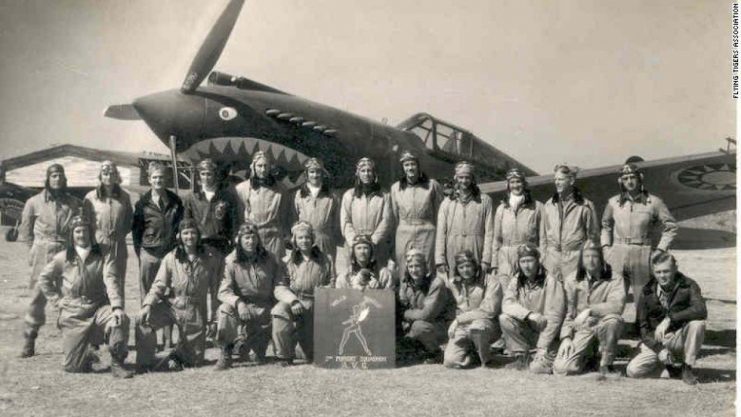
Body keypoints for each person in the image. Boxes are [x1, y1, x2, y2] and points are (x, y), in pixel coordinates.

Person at [37, 214, 133, 378]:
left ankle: (117, 363)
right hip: (73, 313)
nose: (82, 235)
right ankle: (87, 354)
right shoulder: (62, 257)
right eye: (77, 232)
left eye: (85, 231)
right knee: (73, 367)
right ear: (72, 234)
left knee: (119, 319)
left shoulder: (103, 253)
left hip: (97, 309)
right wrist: (57, 302)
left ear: (91, 233)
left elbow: (111, 278)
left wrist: (116, 307)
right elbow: (44, 279)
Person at [135, 218, 221, 371]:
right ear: (179, 236)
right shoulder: (171, 257)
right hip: (174, 305)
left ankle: (177, 355)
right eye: (185, 233)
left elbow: (215, 292)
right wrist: (147, 305)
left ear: (198, 235)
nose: (189, 237)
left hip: (195, 311)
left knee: (194, 361)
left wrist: (213, 319)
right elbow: (159, 285)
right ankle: (146, 360)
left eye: (193, 233)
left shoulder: (209, 258)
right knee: (144, 320)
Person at [18, 164, 81, 358]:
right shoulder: (33, 202)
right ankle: (29, 340)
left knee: (69, 295)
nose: (57, 179)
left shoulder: (72, 203)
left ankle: (74, 341)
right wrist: (34, 252)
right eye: (54, 175)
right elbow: (26, 232)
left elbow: (78, 229)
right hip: (42, 252)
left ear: (65, 179)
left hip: (64, 252)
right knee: (38, 297)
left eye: (61, 175)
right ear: (47, 178)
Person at [601, 163, 678, 309]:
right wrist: (606, 247)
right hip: (617, 253)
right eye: (625, 178)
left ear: (640, 178)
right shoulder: (613, 203)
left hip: (642, 252)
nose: (629, 182)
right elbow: (605, 225)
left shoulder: (654, 202)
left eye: (632, 177)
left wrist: (660, 250)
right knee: (613, 296)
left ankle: (643, 330)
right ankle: (612, 328)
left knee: (643, 299)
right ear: (621, 181)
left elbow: (671, 226)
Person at [214, 221, 289, 370]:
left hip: (264, 309)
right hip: (242, 310)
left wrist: (290, 300)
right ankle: (226, 352)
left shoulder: (270, 259)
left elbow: (279, 285)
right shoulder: (230, 261)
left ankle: (254, 345)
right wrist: (239, 303)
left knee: (258, 356)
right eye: (246, 238)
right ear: (239, 240)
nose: (250, 241)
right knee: (224, 310)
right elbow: (223, 291)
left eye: (253, 237)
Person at [626, 251, 707, 385]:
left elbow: (701, 310)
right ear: (653, 272)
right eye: (658, 272)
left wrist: (670, 319)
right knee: (633, 371)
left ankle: (687, 367)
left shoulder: (688, 285)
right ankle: (670, 370)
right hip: (657, 339)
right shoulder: (647, 291)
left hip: (679, 337)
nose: (662, 276)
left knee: (698, 324)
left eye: (666, 271)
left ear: (675, 268)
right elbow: (642, 327)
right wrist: (659, 350)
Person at [553, 241, 625, 378]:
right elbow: (568, 312)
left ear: (601, 258)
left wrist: (590, 310)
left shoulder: (615, 278)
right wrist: (566, 337)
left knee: (613, 320)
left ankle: (606, 363)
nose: (590, 261)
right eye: (586, 256)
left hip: (602, 325)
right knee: (561, 369)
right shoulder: (572, 280)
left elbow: (617, 305)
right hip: (582, 329)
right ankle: (589, 358)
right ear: (581, 259)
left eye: (595, 256)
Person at [132, 162, 183, 349]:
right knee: (147, 295)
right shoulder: (142, 204)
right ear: (149, 180)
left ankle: (168, 339)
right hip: (149, 254)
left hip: (169, 255)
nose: (158, 180)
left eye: (161, 177)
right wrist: (143, 254)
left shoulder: (176, 201)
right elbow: (136, 233)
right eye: (154, 177)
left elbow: (180, 227)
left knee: (168, 295)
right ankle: (148, 338)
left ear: (166, 179)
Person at [272, 221, 335, 365]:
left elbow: (332, 281)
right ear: (294, 240)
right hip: (296, 301)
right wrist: (293, 300)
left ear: (312, 239)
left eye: (307, 237)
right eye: (300, 238)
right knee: (279, 311)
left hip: (317, 302)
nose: (304, 241)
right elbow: (280, 286)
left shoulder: (325, 259)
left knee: (310, 354)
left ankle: (309, 348)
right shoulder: (287, 261)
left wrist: (324, 292)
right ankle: (284, 355)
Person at [500, 244, 566, 374]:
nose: (526, 265)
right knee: (504, 318)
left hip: (548, 335)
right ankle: (522, 358)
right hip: (530, 328)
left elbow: (555, 318)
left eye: (530, 260)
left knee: (536, 369)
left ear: (538, 261)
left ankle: (549, 358)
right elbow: (507, 304)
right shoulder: (517, 280)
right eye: (523, 261)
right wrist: (528, 314)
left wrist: (543, 346)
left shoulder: (551, 281)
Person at [442, 250, 502, 368]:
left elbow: (489, 310)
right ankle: (473, 354)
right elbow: (449, 307)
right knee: (450, 362)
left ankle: (486, 359)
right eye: (461, 267)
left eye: (468, 266)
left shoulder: (490, 281)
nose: (465, 270)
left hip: (486, 324)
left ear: (475, 266)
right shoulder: (453, 284)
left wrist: (458, 320)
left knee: (477, 327)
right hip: (462, 327)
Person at [435, 161, 494, 276]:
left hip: (475, 247)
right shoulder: (447, 202)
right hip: (453, 248)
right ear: (456, 178)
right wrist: (440, 259)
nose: (464, 181)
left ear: (472, 179)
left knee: (476, 283)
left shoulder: (484, 200)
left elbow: (489, 232)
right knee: (454, 284)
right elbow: (441, 232)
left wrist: (486, 259)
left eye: (467, 177)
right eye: (461, 177)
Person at [541, 164, 599, 281]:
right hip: (552, 261)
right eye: (555, 179)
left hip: (575, 260)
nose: (557, 182)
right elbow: (543, 236)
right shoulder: (548, 205)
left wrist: (589, 262)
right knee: (554, 295)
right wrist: (543, 257)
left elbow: (593, 238)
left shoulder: (585, 206)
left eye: (561, 179)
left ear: (571, 181)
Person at [83, 161, 133, 294]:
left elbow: (129, 220)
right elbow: (84, 222)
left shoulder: (125, 197)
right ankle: (100, 313)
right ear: (100, 176)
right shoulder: (90, 197)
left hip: (118, 245)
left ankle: (117, 312)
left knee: (117, 281)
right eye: (105, 174)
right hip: (97, 244)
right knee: (96, 281)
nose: (108, 177)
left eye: (112, 173)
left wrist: (120, 234)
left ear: (117, 176)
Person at [390, 151, 444, 274]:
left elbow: (439, 214)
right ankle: (405, 292)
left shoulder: (432, 185)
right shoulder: (396, 188)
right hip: (404, 232)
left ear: (418, 166)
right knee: (405, 267)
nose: (410, 168)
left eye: (413, 164)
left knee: (427, 267)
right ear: (403, 168)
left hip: (427, 232)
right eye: (406, 165)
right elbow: (394, 216)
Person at [397, 248, 452, 364]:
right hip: (413, 325)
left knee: (419, 327)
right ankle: (421, 349)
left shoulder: (436, 283)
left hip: (439, 326)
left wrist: (404, 314)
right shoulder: (406, 284)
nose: (414, 270)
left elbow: (426, 314)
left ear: (425, 266)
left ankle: (437, 352)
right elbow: (402, 304)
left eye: (417, 266)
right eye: (410, 266)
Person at [492, 168, 545, 280]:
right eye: (512, 182)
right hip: (506, 259)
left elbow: (543, 239)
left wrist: (542, 260)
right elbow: (497, 240)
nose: (515, 185)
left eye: (518, 182)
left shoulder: (537, 207)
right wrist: (494, 264)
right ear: (508, 185)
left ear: (524, 184)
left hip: (528, 258)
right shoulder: (502, 209)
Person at [340, 157, 393, 269]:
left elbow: (386, 220)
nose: (366, 174)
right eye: (363, 171)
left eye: (369, 171)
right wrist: (355, 241)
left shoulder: (384, 195)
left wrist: (373, 241)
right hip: (355, 245)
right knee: (354, 278)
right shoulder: (349, 195)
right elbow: (345, 221)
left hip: (377, 245)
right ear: (358, 173)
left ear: (374, 173)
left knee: (377, 278)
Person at [235, 151, 288, 259]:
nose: (263, 170)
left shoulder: (281, 189)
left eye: (265, 166)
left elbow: (285, 213)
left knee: (275, 270)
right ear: (253, 167)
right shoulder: (242, 188)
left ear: (270, 167)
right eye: (259, 166)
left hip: (273, 238)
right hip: (252, 237)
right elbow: (239, 216)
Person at [183, 158, 238, 259]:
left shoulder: (226, 197)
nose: (206, 177)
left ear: (215, 175)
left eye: (209, 174)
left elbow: (234, 223)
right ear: (199, 175)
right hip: (200, 244)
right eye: (203, 174)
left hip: (221, 245)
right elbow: (186, 223)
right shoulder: (191, 197)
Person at [292, 158, 340, 260]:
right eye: (312, 172)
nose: (315, 175)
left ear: (322, 173)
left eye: (318, 172)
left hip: (325, 240)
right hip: (305, 241)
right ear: (307, 174)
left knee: (327, 271)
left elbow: (336, 220)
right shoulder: (299, 195)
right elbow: (295, 217)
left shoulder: (331, 196)